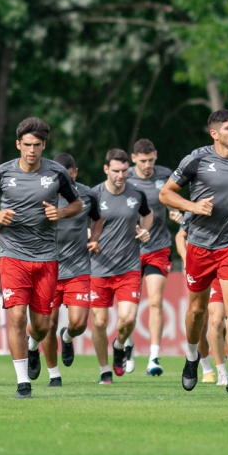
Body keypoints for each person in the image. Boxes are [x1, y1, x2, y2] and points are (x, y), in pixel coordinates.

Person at [0, 117, 82, 399]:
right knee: (17, 317)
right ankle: (23, 382)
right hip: (12, 255)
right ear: (18, 144)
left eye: (37, 145)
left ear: (44, 145)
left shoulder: (57, 173)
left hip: (46, 257)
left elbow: (77, 204)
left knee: (43, 326)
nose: (32, 150)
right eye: (27, 145)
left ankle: (34, 346)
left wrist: (60, 213)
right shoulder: (2, 173)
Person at [159, 109, 228, 394]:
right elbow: (165, 193)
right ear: (214, 134)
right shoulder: (197, 159)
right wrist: (192, 206)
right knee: (197, 310)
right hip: (200, 245)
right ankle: (192, 357)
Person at [37, 153, 103, 387]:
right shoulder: (42, 194)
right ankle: (54, 373)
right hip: (49, 268)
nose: (64, 178)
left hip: (78, 268)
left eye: (68, 173)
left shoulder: (87, 195)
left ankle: (68, 338)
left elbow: (98, 218)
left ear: (75, 172)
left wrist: (94, 239)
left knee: (79, 323)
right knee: (47, 324)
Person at [89, 149, 153, 384]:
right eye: (116, 171)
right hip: (99, 268)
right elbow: (82, 224)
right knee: (99, 322)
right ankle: (104, 370)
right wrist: (90, 239)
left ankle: (119, 345)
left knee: (127, 319)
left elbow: (148, 214)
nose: (120, 175)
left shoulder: (137, 194)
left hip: (129, 268)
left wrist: (145, 230)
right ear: (106, 169)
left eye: (125, 171)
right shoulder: (94, 195)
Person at [127, 139, 183, 376]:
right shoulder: (124, 177)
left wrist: (176, 211)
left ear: (156, 156)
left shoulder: (165, 175)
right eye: (143, 161)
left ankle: (153, 357)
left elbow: (172, 200)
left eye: (151, 160)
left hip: (158, 247)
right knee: (128, 306)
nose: (148, 165)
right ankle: (127, 348)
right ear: (133, 159)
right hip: (127, 251)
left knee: (155, 301)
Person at [176, 213, 227, 385]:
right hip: (200, 267)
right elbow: (180, 235)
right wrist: (185, 257)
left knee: (220, 320)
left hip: (225, 266)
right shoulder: (197, 207)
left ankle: (225, 362)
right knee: (202, 321)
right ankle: (205, 367)